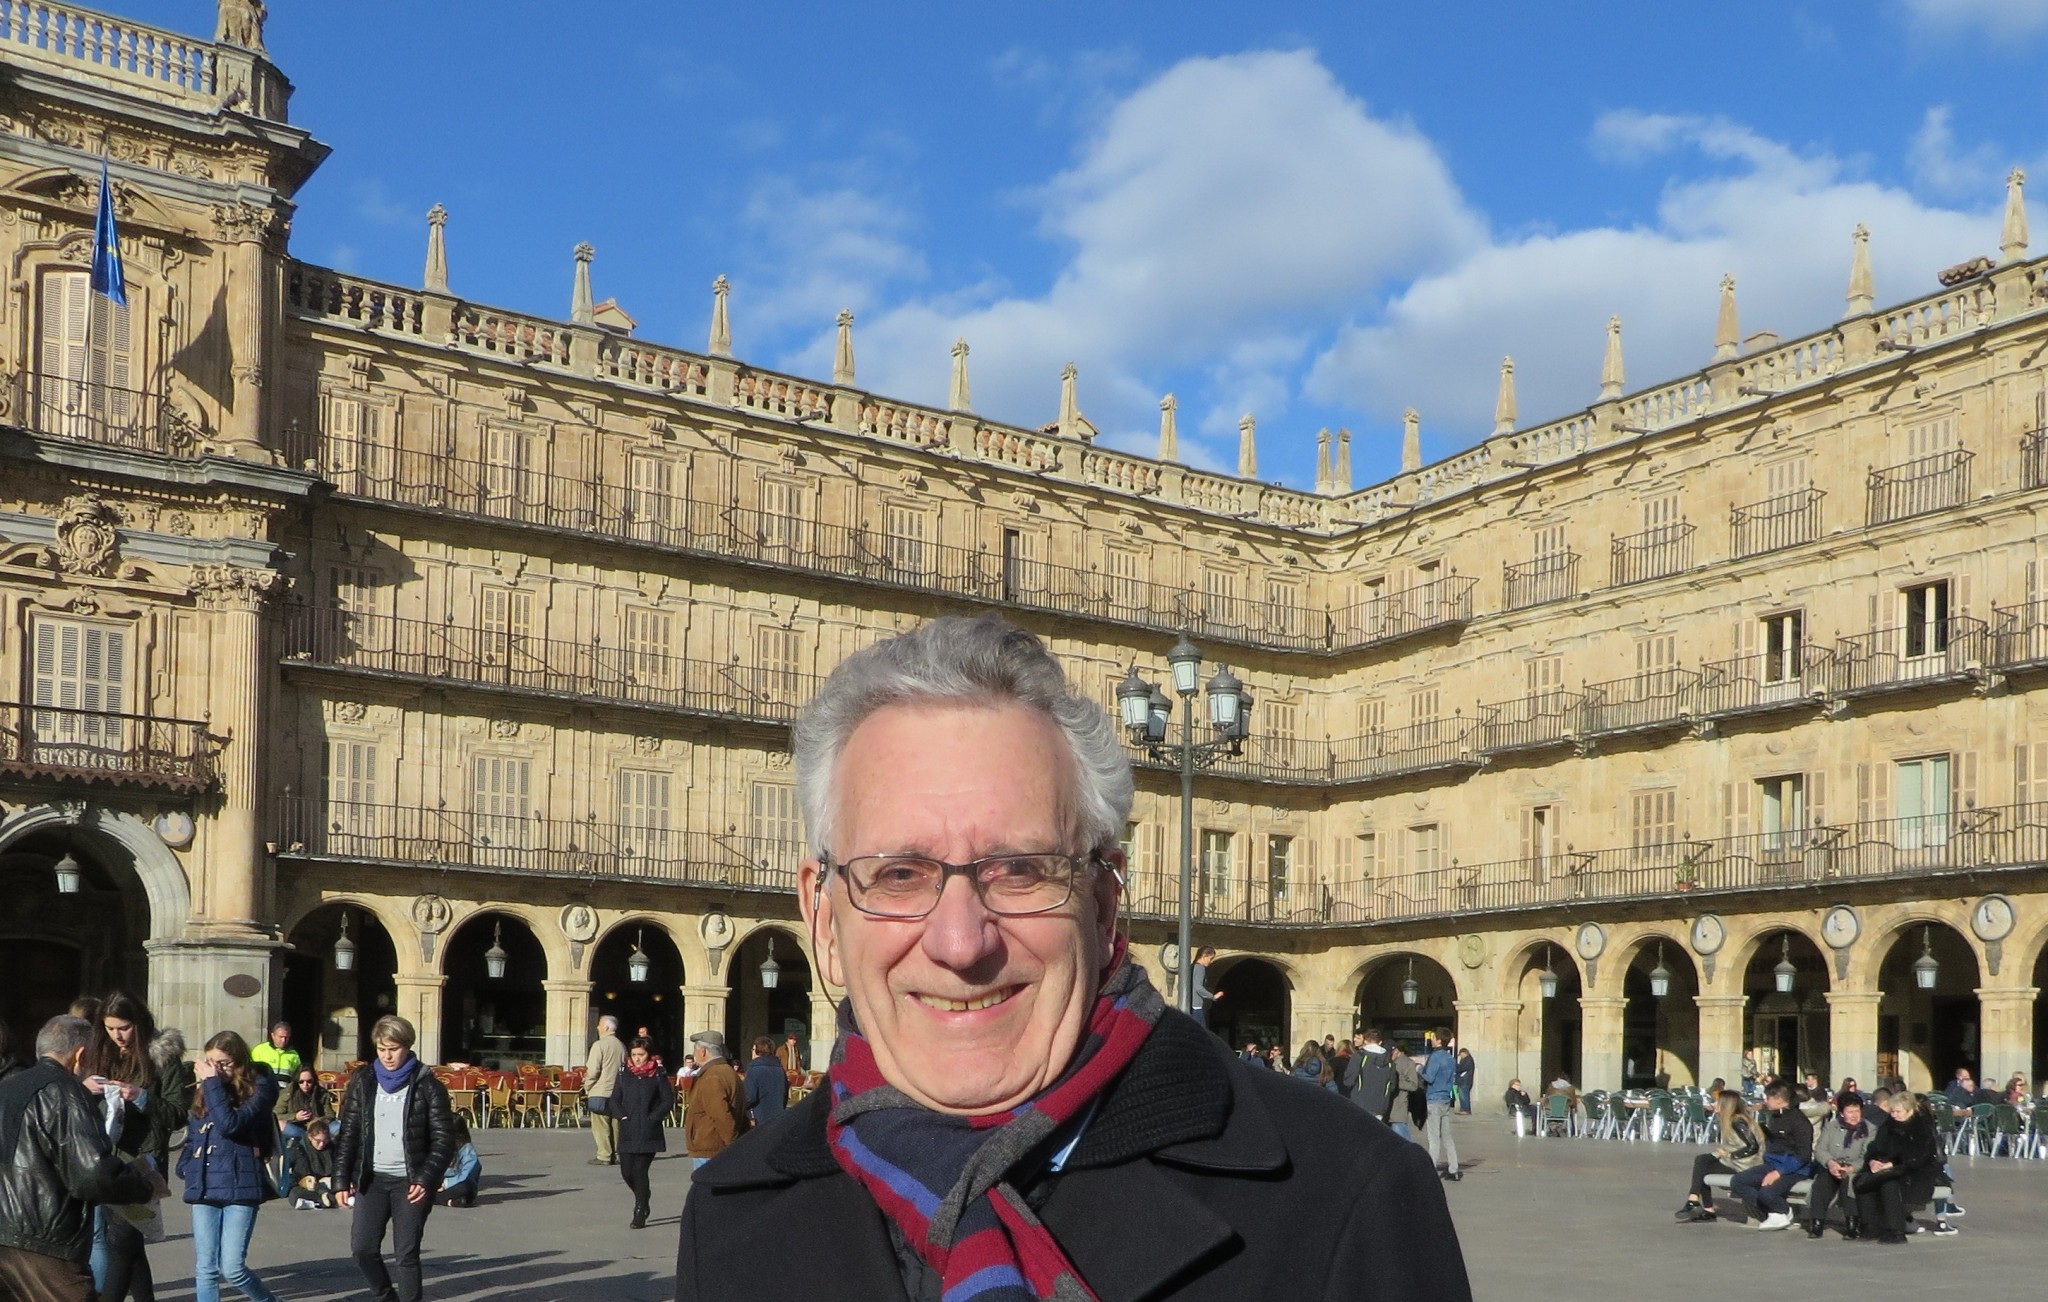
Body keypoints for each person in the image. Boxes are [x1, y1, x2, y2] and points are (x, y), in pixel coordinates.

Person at [678, 616, 1471, 1301]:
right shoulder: (731, 1216)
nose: (961, 943)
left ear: (1101, 903)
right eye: (899, 874)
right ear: (822, 913)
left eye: (1020, 870)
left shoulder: (1345, 1197)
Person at [0, 1015, 158, 1302]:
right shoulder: (65, 1091)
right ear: (81, 1055)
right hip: (44, 1240)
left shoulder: (8, 1087)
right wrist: (142, 1185)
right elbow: (93, 1173)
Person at [333, 1015, 457, 1302]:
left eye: (393, 1048)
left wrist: (426, 1178)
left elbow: (443, 1139)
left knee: (407, 1253)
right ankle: (385, 1296)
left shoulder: (428, 1085)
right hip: (371, 1180)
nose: (387, 1056)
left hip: (410, 1183)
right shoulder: (363, 1081)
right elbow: (348, 1133)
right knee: (362, 1249)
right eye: (381, 1049)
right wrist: (340, 1179)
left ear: (407, 1046)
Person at [90, 990, 192, 1302]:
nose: (117, 1036)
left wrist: (141, 1097)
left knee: (121, 1243)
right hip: (108, 1157)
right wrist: (87, 1089)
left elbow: (177, 1115)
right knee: (129, 1246)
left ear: (139, 1022)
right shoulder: (104, 1054)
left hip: (143, 1161)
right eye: (110, 1028)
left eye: (123, 1027)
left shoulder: (163, 1058)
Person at [177, 1031, 282, 1302]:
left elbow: (230, 1125)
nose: (216, 1069)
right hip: (204, 1182)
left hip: (241, 1183)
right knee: (206, 1268)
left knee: (233, 1268)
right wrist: (186, 1166)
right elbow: (195, 1133)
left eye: (224, 1063)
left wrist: (212, 1083)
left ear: (239, 1062)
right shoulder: (207, 1090)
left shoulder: (260, 1087)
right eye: (211, 1062)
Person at [1855, 1092, 1938, 1244]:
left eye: (1898, 1112)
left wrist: (1894, 1163)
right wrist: (1873, 1161)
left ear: (1910, 1111)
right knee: (1863, 1181)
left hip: (1915, 1175)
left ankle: (1896, 1230)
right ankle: (1869, 1226)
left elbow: (1920, 1157)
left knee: (1889, 1184)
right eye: (1892, 1111)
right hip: (1889, 1169)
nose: (1894, 1115)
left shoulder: (1921, 1128)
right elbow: (1875, 1147)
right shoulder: (1888, 1125)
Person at [1728, 1082, 1813, 1230]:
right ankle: (1778, 1212)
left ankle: (1782, 1211)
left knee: (1767, 1193)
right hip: (1771, 1164)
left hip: (1795, 1168)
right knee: (1738, 1181)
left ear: (1779, 1099)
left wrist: (1778, 1172)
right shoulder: (1775, 1117)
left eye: (1768, 1098)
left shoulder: (1799, 1121)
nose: (1766, 1101)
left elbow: (1803, 1155)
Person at [614, 1038, 676, 1228]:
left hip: (649, 1130)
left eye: (641, 1055)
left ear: (648, 1055)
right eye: (634, 1055)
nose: (637, 1059)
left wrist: (654, 1117)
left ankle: (640, 1210)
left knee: (640, 1171)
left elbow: (667, 1100)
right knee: (627, 1172)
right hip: (628, 1128)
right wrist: (622, 1116)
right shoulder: (624, 1074)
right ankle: (643, 1194)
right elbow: (614, 1099)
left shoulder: (658, 1074)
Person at [1675, 1091, 1761, 1222]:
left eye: (1718, 1102)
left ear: (1726, 1105)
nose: (1715, 1104)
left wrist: (1730, 1154)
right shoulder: (1734, 1119)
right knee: (1703, 1161)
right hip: (1739, 1162)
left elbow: (1753, 1146)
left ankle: (1697, 1203)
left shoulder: (1737, 1121)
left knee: (1702, 1164)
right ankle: (1700, 1205)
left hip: (1747, 1165)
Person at [1804, 1092, 1875, 1238]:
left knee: (1849, 1183)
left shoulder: (1870, 1129)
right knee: (1822, 1183)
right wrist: (1830, 1163)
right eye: (1850, 1112)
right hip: (1833, 1165)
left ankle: (1852, 1224)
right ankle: (1817, 1222)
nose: (1854, 1115)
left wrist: (1850, 1168)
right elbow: (1820, 1149)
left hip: (1854, 1167)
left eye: (1857, 1111)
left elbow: (1867, 1156)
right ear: (1842, 1113)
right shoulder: (1831, 1127)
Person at [681, 1030, 746, 1172]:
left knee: (706, 1190)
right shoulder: (727, 1071)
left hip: (710, 1146)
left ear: (703, 1051)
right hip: (715, 1146)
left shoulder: (712, 1075)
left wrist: (732, 1144)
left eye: (695, 1050)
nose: (694, 1053)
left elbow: (720, 1114)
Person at [584, 1015, 626, 1167]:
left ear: (607, 1027)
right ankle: (617, 1153)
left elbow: (593, 1070)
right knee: (615, 1125)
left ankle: (604, 1155)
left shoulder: (599, 1045)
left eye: (599, 1025)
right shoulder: (621, 1046)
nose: (597, 1027)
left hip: (601, 1090)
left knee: (600, 1125)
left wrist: (587, 1086)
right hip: (617, 1091)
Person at [1419, 1028, 1461, 1181]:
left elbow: (1429, 1077)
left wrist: (1419, 1069)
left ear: (1438, 1040)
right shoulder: (1450, 1058)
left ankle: (1430, 1170)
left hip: (1433, 1098)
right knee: (1447, 1136)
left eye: (1433, 1037)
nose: (1431, 1039)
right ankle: (1454, 1168)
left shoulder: (1435, 1057)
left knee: (1434, 1138)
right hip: (1445, 1098)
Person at [1344, 1028, 1399, 1126]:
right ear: (1380, 1042)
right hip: (1380, 1105)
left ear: (1365, 1040)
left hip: (1359, 1103)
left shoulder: (1359, 1057)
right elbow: (1392, 1086)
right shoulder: (1390, 1062)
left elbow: (1348, 1081)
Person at [288, 1119, 339, 1209]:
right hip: (309, 1185)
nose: (321, 1144)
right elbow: (298, 1173)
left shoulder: (332, 1147)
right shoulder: (299, 1148)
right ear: (310, 1137)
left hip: (329, 1182)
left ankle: (322, 1200)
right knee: (295, 1194)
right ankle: (324, 1199)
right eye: (318, 1141)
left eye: (325, 1140)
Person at [435, 1120, 481, 1209]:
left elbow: (466, 1173)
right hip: (438, 1183)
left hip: (459, 1183)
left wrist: (446, 1184)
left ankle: (438, 1199)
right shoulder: (438, 1144)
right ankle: (451, 1201)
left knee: (465, 1188)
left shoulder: (467, 1149)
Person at [743, 1036, 788, 1125]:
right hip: (778, 1118)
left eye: (752, 1049)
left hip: (759, 1118)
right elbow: (785, 1094)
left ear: (756, 1051)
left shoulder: (754, 1070)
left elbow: (750, 1097)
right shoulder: (780, 1070)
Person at [248, 1024, 299, 1094]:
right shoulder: (259, 1050)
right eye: (280, 1037)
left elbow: (297, 1077)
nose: (283, 1040)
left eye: (286, 1037)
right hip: (262, 1093)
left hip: (283, 1095)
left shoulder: (294, 1055)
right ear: (273, 1035)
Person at [1389, 1042, 1424, 1140]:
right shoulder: (1388, 1061)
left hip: (1399, 1107)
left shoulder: (1408, 1063)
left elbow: (1413, 1085)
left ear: (1397, 1051)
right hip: (1387, 1107)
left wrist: (1396, 1082)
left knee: (1403, 1137)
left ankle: (1412, 1155)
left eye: (1392, 1052)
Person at [1189, 946, 1222, 1031]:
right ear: (1204, 956)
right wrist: (1212, 996)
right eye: (1210, 958)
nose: (1211, 962)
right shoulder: (1200, 968)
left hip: (1190, 1006)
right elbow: (1198, 987)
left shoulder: (1192, 967)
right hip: (1196, 1007)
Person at [1454, 1046, 1477, 1116]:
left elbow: (1462, 1068)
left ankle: (1465, 1110)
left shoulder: (1468, 1060)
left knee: (1464, 1095)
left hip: (1465, 1081)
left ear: (1464, 1053)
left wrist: (1456, 1066)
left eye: (1460, 1054)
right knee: (1462, 1095)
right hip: (1464, 1081)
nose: (1460, 1056)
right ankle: (1463, 1109)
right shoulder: (1466, 1060)